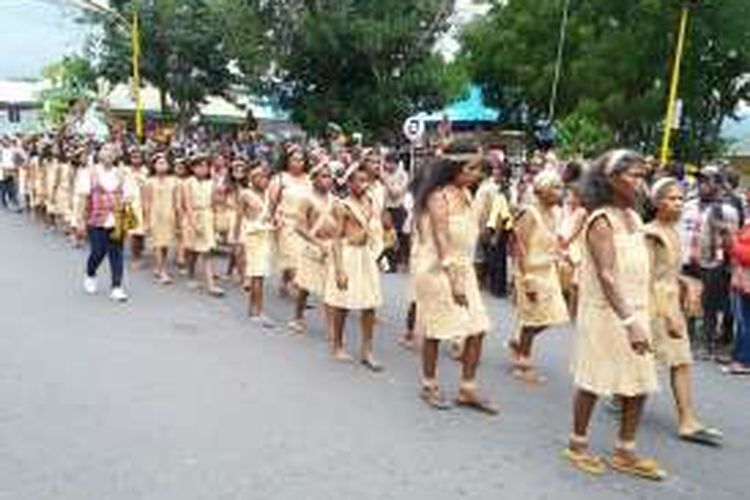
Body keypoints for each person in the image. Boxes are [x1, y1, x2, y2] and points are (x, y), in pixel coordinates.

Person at [564, 149, 665, 480]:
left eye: (642, 175)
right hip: (608, 314)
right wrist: (629, 321)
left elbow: (641, 268)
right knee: (594, 380)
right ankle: (577, 445)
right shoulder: (601, 220)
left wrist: (653, 311)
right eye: (633, 176)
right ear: (609, 180)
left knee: (638, 382)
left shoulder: (634, 219)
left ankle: (626, 450)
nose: (641, 182)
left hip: (634, 310)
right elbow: (607, 276)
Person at [412, 145, 497, 414]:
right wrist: (453, 278)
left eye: (477, 168)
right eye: (471, 168)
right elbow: (441, 238)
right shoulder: (438, 197)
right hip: (438, 270)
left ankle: (467, 388)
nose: (476, 173)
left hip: (464, 268)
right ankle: (429, 384)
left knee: (477, 327)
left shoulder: (465, 194)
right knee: (437, 329)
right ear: (455, 168)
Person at [645, 177, 722, 445]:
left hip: (671, 303)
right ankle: (686, 420)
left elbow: (670, 273)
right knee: (662, 359)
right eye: (671, 198)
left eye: (680, 198)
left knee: (677, 360)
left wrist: (687, 285)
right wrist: (666, 315)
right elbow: (648, 278)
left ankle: (687, 419)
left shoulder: (674, 233)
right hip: (655, 305)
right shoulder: (650, 234)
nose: (678, 204)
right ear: (656, 203)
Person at [509, 170, 569, 384]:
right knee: (533, 317)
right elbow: (520, 247)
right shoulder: (529, 213)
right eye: (555, 188)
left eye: (561, 187)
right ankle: (523, 362)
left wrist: (561, 254)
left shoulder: (555, 213)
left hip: (548, 270)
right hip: (531, 272)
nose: (560, 193)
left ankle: (519, 343)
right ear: (541, 190)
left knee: (554, 315)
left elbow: (552, 240)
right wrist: (527, 280)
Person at [325, 168, 383, 371]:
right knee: (343, 303)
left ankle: (367, 350)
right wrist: (339, 269)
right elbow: (336, 241)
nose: (363, 184)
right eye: (358, 181)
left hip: (365, 256)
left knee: (370, 303)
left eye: (365, 180)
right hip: (349, 255)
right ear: (349, 184)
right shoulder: (343, 206)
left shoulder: (371, 202)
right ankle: (338, 345)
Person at [75, 142, 131, 302]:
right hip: (96, 218)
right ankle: (90, 273)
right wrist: (79, 220)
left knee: (116, 252)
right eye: (105, 149)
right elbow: (82, 198)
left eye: (112, 151)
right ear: (99, 153)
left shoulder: (122, 173)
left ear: (116, 155)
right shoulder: (89, 172)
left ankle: (117, 287)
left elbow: (128, 194)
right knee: (98, 251)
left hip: (117, 218)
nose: (109, 153)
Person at [291, 161, 339, 335]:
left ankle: (331, 328)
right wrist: (317, 243)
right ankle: (297, 316)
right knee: (305, 287)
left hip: (330, 247)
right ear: (314, 179)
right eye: (324, 176)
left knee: (330, 288)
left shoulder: (335, 200)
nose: (328, 180)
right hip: (312, 246)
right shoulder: (306, 199)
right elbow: (299, 227)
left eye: (330, 177)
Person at [268, 145, 311, 297]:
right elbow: (272, 203)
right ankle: (298, 289)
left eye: (301, 160)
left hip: (304, 224)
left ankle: (285, 281)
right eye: (294, 160)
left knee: (299, 257)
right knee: (292, 256)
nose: (297, 163)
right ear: (287, 161)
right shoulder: (280, 178)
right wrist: (273, 219)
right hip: (285, 222)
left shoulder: (309, 179)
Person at [235, 160, 274, 325]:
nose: (264, 180)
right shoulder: (245, 194)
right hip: (252, 236)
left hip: (265, 235)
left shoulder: (268, 195)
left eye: (266, 177)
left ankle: (254, 310)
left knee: (260, 275)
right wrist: (237, 240)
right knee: (256, 275)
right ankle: (257, 312)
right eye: (260, 177)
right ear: (253, 178)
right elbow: (239, 217)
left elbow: (270, 215)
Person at [183, 155, 224, 296]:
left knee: (207, 252)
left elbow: (216, 202)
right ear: (193, 168)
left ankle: (211, 285)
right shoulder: (188, 182)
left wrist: (218, 186)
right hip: (194, 216)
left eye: (205, 166)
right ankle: (190, 274)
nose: (203, 169)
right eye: (199, 166)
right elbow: (187, 204)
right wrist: (193, 223)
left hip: (207, 216)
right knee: (193, 251)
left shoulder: (211, 183)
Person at [143, 152, 178, 285]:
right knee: (157, 243)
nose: (162, 165)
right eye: (159, 163)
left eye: (164, 162)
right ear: (153, 165)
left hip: (169, 214)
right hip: (155, 215)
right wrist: (146, 220)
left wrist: (177, 217)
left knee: (166, 243)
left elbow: (176, 201)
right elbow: (146, 202)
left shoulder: (173, 181)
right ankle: (163, 271)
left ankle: (159, 266)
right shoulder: (149, 182)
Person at [123, 147, 148, 270]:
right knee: (133, 232)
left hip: (144, 204)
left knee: (141, 233)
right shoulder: (124, 171)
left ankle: (140, 251)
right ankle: (135, 258)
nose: (136, 159)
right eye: (133, 156)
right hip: (130, 205)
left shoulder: (146, 171)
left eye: (138, 156)